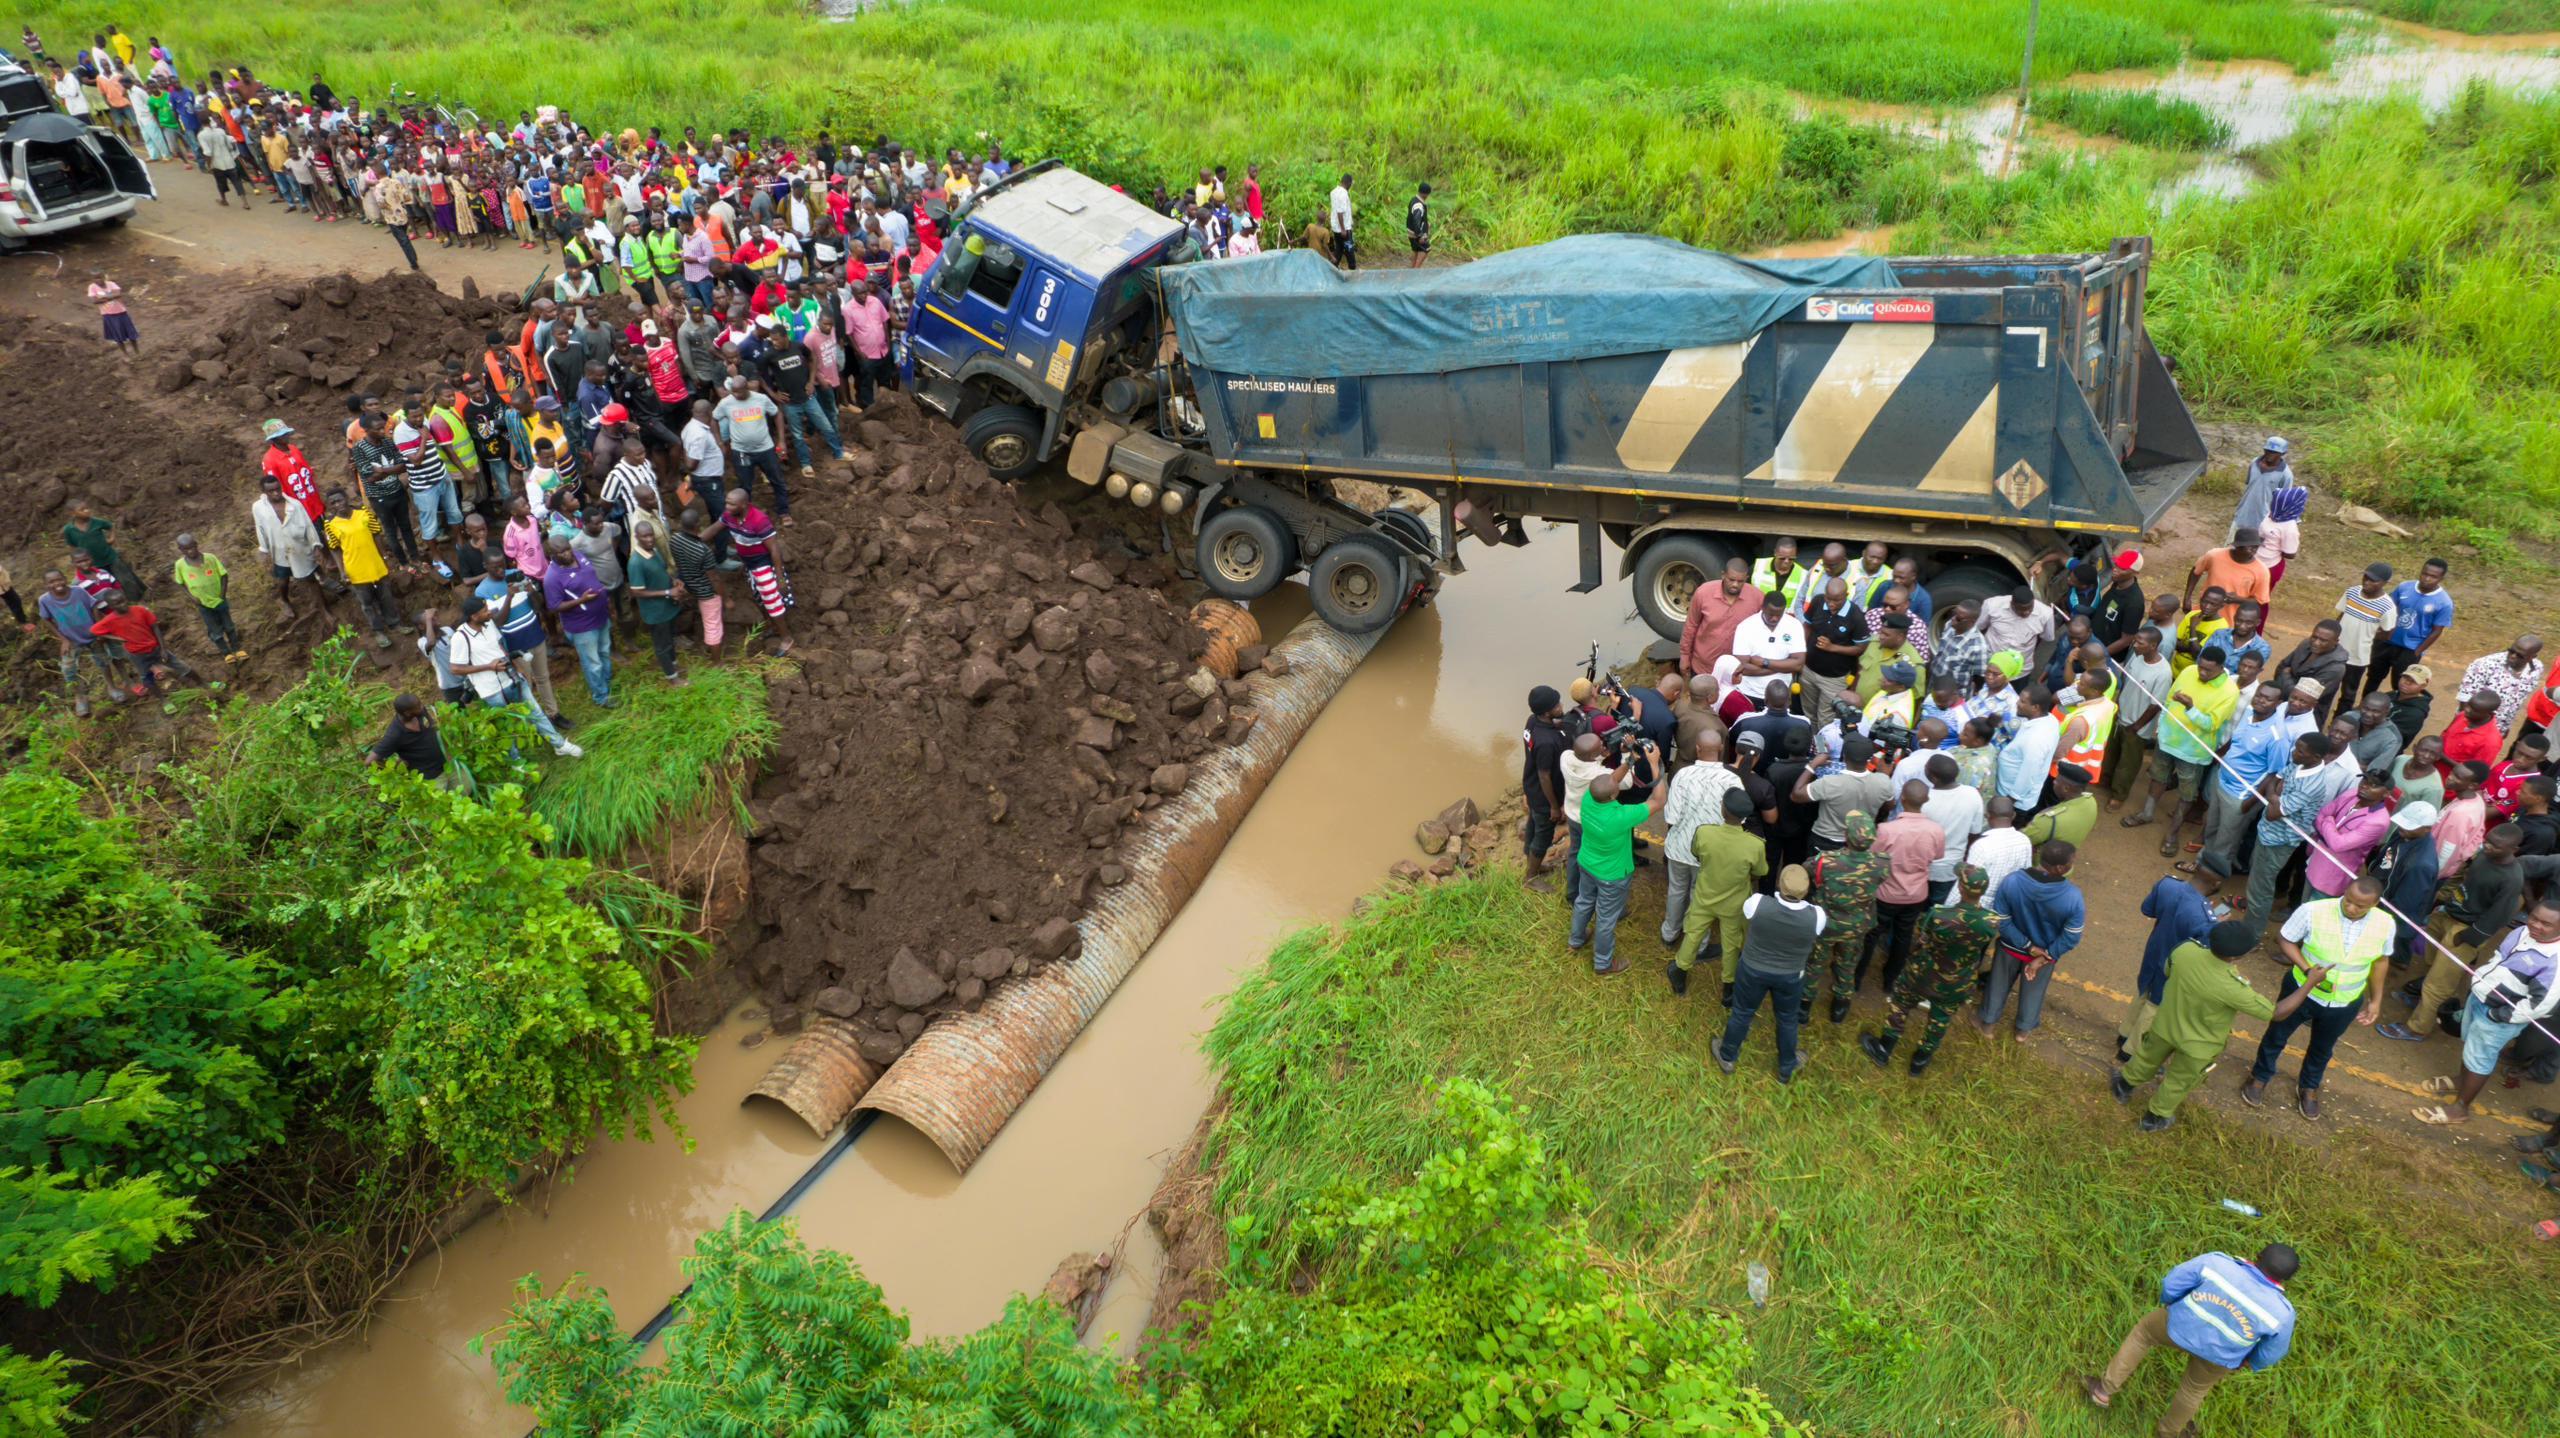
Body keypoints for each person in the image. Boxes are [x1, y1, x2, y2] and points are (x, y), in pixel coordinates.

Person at [2116, 921, 2330, 1133]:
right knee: (2178, 1081)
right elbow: (2276, 1013)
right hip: (2198, 1046)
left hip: (2165, 1026)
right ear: (2237, 957)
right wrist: (2310, 983)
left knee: (2145, 1058)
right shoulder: (2234, 988)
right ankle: (2155, 1117)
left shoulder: (2185, 950)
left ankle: (2123, 1085)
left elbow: (2168, 970)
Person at [2086, 1241, 2299, 1438]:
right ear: (2285, 1279)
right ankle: (2168, 1433)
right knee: (2194, 1390)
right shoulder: (2282, 1314)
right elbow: (2272, 1352)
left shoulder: (2217, 1263)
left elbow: (2172, 1283)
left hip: (2177, 1325)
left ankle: (2103, 1391)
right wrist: (2248, 1363)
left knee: (2143, 1335)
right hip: (2221, 1356)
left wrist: (2170, 1303)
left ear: (2258, 1255)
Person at [2243, 874, 2392, 1120]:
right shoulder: (2313, 910)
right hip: (2301, 990)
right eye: (2348, 900)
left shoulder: (2386, 924)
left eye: (2360, 905)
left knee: (2323, 1048)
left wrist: (2376, 1000)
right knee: (2277, 1035)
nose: (2352, 908)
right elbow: (2285, 938)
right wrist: (2306, 969)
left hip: (2344, 1001)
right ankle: (2260, 1076)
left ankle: (2309, 1086)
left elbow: (2381, 961)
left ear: (2375, 905)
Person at [2410, 898, 2560, 1126]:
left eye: (2545, 924)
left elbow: (2539, 1006)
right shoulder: (2521, 931)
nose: (2535, 926)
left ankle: (2460, 1108)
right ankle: (2462, 1080)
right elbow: (2499, 956)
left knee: (2480, 1059)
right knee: (2472, 1046)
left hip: (2498, 1016)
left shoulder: (2555, 961)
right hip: (2480, 998)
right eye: (2534, 918)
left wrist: (2498, 1016)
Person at [1858, 863, 2000, 1076]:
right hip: (1958, 980)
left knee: (1900, 1005)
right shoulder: (1992, 921)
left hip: (1922, 973)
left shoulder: (1938, 914)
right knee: (1940, 1019)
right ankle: (1920, 1061)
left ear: (1960, 888)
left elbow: (1922, 937)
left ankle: (1884, 1048)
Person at [1710, 864, 1826, 1083]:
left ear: (1780, 884)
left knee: (1742, 1012)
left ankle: (1727, 1056)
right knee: (1787, 1019)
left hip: (1753, 968)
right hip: (1791, 975)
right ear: (1807, 888)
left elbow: (1746, 912)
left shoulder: (1757, 903)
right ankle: (1786, 1066)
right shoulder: (1817, 916)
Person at [446, 597, 581, 759]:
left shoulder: (489, 625)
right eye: (484, 611)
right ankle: (516, 762)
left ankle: (559, 744)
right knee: (506, 726)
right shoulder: (461, 637)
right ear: (474, 616)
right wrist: (489, 666)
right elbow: (455, 668)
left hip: (512, 678)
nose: (489, 612)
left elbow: (500, 648)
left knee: (536, 712)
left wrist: (517, 668)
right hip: (492, 690)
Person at [1669, 789, 1769, 1002]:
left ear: (1723, 810)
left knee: (1693, 934)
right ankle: (1728, 987)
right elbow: (1761, 871)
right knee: (1731, 943)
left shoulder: (1704, 832)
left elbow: (1696, 852)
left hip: (1705, 895)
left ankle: (1680, 971)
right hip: (1734, 902)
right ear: (1744, 817)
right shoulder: (1755, 844)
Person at [1981, 840, 2085, 1040]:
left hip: (2010, 947)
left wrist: (2027, 946)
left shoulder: (2012, 881)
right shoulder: (2073, 897)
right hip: (2044, 955)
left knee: (1998, 983)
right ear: (2060, 868)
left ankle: (1987, 1024)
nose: (2073, 865)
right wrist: (2045, 956)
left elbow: (2001, 920)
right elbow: (2071, 936)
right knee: (2034, 991)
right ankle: (2022, 1031)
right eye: (2072, 862)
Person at [1567, 758, 1652, 977]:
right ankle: (1603, 964)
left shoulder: (1588, 798)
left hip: (1587, 864)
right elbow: (1659, 800)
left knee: (1584, 901)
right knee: (1606, 918)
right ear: (1614, 796)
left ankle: (1576, 940)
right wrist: (1655, 766)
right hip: (1611, 876)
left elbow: (1608, 782)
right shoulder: (1620, 816)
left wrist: (1628, 762)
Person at [1864, 780, 1946, 997]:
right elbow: (1937, 856)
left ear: (1902, 799)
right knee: (1903, 937)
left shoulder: (1886, 830)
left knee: (1871, 935)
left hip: (1886, 893)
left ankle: (1856, 978)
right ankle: (1890, 982)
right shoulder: (1936, 830)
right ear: (1926, 800)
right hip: (1916, 894)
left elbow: (1872, 856)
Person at [1807, 810, 1888, 1021]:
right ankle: (1840, 1007)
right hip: (1856, 927)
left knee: (1815, 963)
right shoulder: (1881, 864)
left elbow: (1806, 868)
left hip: (1826, 925)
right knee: (1847, 964)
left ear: (1846, 836)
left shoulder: (1826, 861)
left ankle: (1804, 1006)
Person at [1659, 730, 1740, 938]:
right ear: (1721, 749)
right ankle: (1697, 940)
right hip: (1709, 853)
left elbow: (1671, 817)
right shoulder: (1731, 780)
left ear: (1697, 748)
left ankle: (1669, 932)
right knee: (1700, 896)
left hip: (1679, 848)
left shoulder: (1682, 775)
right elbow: (1740, 819)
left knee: (1676, 890)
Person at [251, 476, 339, 632]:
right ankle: (284, 600)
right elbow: (260, 528)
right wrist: (264, 550)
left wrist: (315, 546)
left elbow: (308, 526)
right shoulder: (258, 508)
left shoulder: (295, 505)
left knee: (310, 579)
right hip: (279, 551)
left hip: (300, 548)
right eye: (271, 491)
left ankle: (324, 611)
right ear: (264, 492)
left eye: (278, 489)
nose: (276, 493)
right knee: (283, 581)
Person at [2365, 558, 2453, 702]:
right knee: (2373, 677)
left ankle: (2392, 716)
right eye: (2425, 574)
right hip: (2386, 642)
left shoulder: (2444, 602)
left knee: (2400, 685)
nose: (2427, 578)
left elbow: (2437, 631)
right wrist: (2379, 634)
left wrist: (2416, 652)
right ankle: (2365, 705)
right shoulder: (2404, 587)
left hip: (2409, 649)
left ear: (2441, 578)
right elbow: (2388, 609)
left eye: (2433, 576)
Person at [543, 535, 617, 707]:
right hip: (582, 626)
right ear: (551, 554)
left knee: (605, 651)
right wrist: (581, 601)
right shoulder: (552, 577)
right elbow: (554, 607)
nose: (567, 553)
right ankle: (601, 697)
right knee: (592, 663)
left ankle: (606, 681)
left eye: (568, 548)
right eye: (561, 552)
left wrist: (606, 601)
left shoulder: (579, 555)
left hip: (600, 615)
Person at [322, 489, 399, 648]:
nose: (338, 505)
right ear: (330, 507)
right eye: (333, 503)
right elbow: (335, 549)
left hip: (375, 563)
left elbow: (376, 534)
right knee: (367, 603)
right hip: (355, 569)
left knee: (386, 596)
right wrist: (342, 571)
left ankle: (395, 623)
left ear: (346, 498)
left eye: (340, 500)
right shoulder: (330, 524)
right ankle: (378, 632)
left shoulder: (364, 513)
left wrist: (384, 557)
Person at [1521, 684, 1573, 890]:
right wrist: (1554, 805)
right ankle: (1531, 877)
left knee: (1533, 825)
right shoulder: (1546, 742)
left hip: (1531, 786)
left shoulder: (1532, 721)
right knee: (1543, 834)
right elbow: (1545, 775)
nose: (1560, 705)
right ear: (1546, 711)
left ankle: (1532, 860)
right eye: (1556, 704)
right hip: (1544, 796)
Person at [1679, 558, 1763, 680]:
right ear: (1723, 575)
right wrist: (1684, 656)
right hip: (1703, 668)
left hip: (1736, 671)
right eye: (1731, 579)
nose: (1735, 584)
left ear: (1746, 578)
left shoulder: (1757, 598)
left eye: (1740, 581)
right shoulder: (1703, 593)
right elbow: (1691, 626)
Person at [366, 693, 469, 791]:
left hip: (448, 764)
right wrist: (395, 767)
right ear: (407, 712)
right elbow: (369, 762)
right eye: (418, 706)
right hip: (430, 776)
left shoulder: (421, 712)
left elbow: (433, 726)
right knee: (441, 805)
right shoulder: (395, 735)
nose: (422, 706)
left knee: (466, 789)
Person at [1714, 588, 1806, 693]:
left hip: (1780, 694)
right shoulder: (1746, 626)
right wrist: (1784, 666)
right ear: (1763, 608)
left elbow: (1798, 665)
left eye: (1779, 615)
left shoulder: (1794, 625)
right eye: (1771, 614)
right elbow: (1741, 668)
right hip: (1748, 692)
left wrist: (1764, 662)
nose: (1774, 619)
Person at [2455, 635, 2545, 737]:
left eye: (2520, 655)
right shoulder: (2485, 665)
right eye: (2511, 651)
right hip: (2472, 729)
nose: (2513, 656)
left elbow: (2517, 701)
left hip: (2498, 731)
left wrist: (2505, 727)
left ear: (2532, 657)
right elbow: (2465, 702)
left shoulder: (2536, 669)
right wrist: (2466, 729)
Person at [1994, 684, 2061, 819]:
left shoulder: (2036, 740)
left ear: (2035, 708)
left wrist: (2010, 800)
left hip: (2014, 802)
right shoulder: (2049, 719)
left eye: (2023, 702)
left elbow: (2029, 773)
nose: (2017, 703)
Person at [2025, 762, 2097, 850]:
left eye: (2057, 780)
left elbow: (2022, 840)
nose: (2054, 782)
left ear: (2066, 788)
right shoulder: (2091, 801)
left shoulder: (2049, 820)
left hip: (2042, 861)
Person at [1327, 171, 1355, 269]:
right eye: (1351, 184)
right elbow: (1340, 212)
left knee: (1338, 250)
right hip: (1343, 230)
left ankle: (1332, 269)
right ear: (1348, 183)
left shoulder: (1334, 192)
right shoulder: (1343, 194)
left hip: (1336, 228)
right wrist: (1343, 229)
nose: (1351, 186)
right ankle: (1353, 270)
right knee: (1349, 250)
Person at [1405, 182, 1430, 267]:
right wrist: (1420, 235)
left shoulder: (1414, 199)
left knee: (1416, 250)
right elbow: (1416, 220)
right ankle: (1416, 271)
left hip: (1411, 232)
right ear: (1426, 194)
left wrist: (1426, 224)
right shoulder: (1419, 205)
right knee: (1425, 249)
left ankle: (1412, 271)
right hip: (1416, 234)